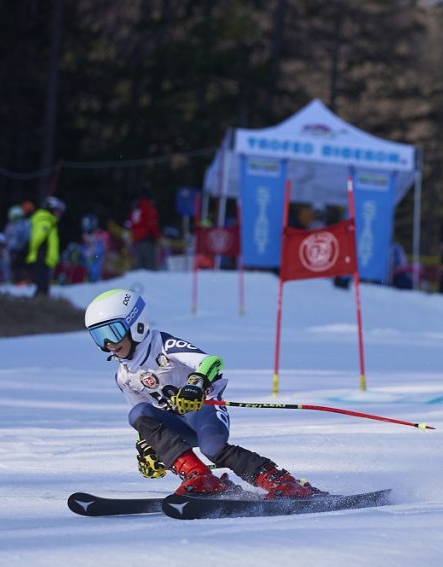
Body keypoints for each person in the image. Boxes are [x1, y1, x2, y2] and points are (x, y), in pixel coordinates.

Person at [84, 288, 318, 499]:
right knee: (136, 413)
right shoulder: (124, 376)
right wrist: (148, 448)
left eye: (112, 332)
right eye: (99, 336)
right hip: (177, 425)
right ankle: (200, 478)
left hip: (204, 410)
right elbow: (146, 419)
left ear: (136, 324)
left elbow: (212, 362)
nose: (108, 344)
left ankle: (282, 482)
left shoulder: (162, 345)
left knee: (212, 449)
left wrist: (195, 384)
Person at [27, 196, 65, 297]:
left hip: (46, 259)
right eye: (57, 211)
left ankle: (39, 305)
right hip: (42, 258)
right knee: (42, 288)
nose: (59, 214)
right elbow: (37, 239)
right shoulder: (45, 221)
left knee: (43, 288)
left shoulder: (50, 222)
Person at [128, 186, 161, 270]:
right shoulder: (148, 206)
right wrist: (157, 237)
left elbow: (131, 223)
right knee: (149, 267)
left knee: (138, 266)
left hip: (136, 240)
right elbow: (152, 223)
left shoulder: (135, 206)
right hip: (146, 240)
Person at [3, 204, 31, 284]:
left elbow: (26, 236)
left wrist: (23, 245)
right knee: (12, 264)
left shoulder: (24, 224)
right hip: (11, 249)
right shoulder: (9, 226)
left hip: (20, 249)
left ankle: (21, 280)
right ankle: (12, 279)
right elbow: (6, 237)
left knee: (19, 265)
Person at [81, 213, 110, 282]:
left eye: (87, 223)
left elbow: (102, 248)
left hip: (99, 261)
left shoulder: (101, 234)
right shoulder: (85, 236)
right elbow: (84, 250)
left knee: (96, 257)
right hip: (88, 262)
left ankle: (96, 278)